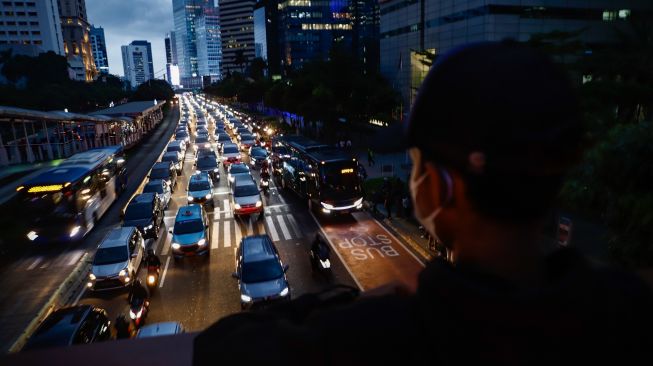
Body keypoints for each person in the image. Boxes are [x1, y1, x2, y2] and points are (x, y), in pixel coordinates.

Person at [194, 42, 653, 365]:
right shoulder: (626, 310)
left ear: (443, 187)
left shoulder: (379, 336)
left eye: (416, 163)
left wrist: (337, 307)